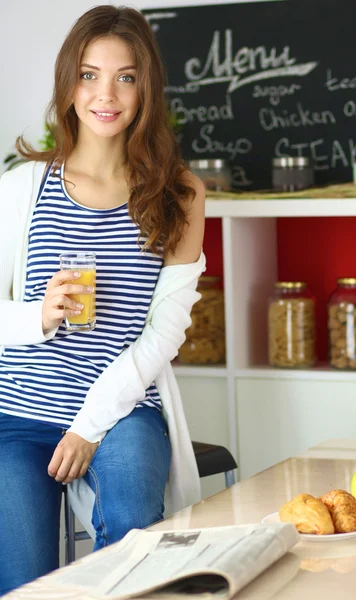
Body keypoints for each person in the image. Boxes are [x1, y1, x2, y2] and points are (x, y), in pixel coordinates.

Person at [0, 5, 206, 596]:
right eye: (89, 74)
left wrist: (89, 426)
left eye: (126, 76)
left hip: (119, 412)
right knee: (23, 584)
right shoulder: (24, 187)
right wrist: (37, 315)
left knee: (133, 543)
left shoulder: (179, 194)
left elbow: (165, 332)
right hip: (19, 411)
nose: (106, 94)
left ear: (147, 86)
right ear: (68, 84)